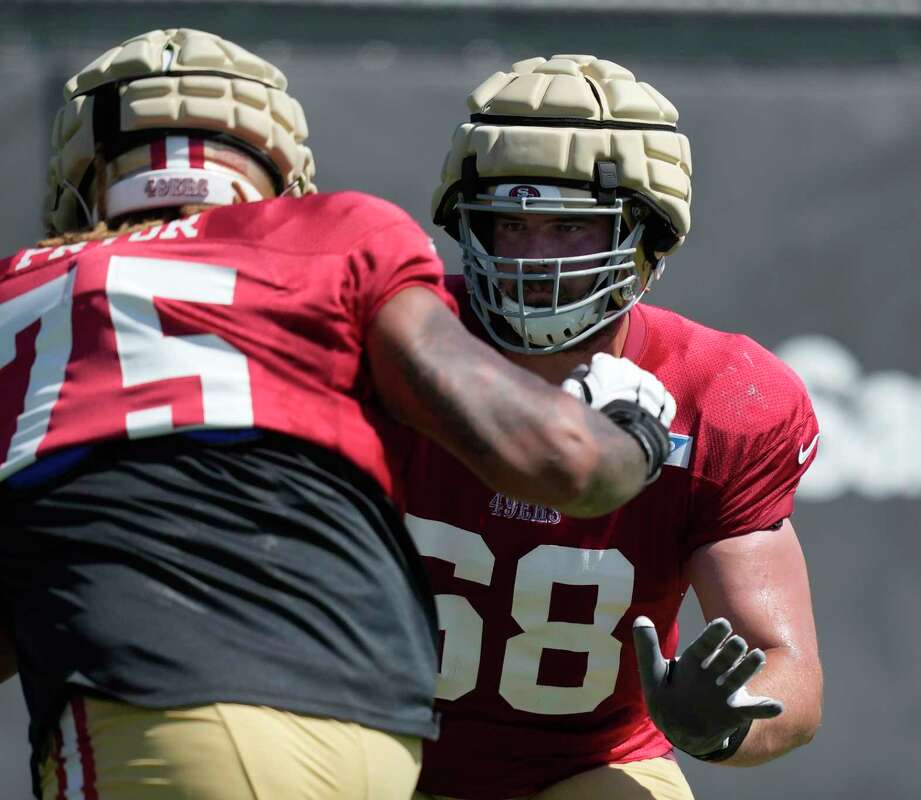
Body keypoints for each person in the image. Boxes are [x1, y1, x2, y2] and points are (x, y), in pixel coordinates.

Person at [0, 32, 674, 800]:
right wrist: (633, 433)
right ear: (283, 170)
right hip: (376, 742)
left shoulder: (25, 290)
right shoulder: (341, 236)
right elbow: (566, 460)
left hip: (161, 710)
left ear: (82, 174)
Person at [399, 55, 823, 800]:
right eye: (509, 223)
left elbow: (786, 669)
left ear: (647, 239)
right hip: (369, 743)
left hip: (586, 766)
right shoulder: (392, 343)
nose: (533, 260)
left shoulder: (724, 395)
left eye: (568, 225)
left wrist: (722, 725)